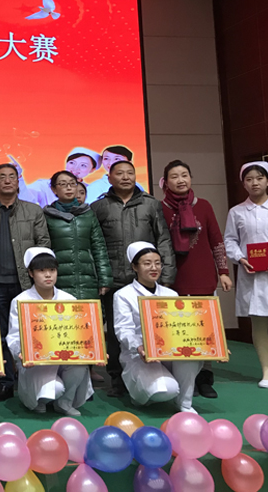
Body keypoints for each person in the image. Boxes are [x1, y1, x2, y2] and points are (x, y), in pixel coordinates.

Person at [91, 160, 175, 397]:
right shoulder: (99, 207)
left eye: (130, 173)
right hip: (114, 278)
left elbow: (163, 239)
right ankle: (117, 379)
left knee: (154, 327)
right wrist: (101, 278)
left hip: (148, 279)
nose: (126, 177)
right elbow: (95, 245)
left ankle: (157, 372)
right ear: (109, 178)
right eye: (120, 173)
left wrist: (167, 274)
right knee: (115, 332)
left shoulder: (151, 204)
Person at [0, 163, 50, 403]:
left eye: (12, 177)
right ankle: (5, 383)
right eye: (2, 177)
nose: (7, 181)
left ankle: (32, 380)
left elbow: (43, 244)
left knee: (31, 333)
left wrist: (39, 277)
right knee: (0, 335)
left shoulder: (33, 211)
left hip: (26, 284)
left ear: (18, 182)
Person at [161, 160, 232, 399]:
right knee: (179, 330)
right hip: (172, 280)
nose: (180, 180)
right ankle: (180, 379)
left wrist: (223, 272)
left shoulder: (204, 206)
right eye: (174, 176)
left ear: (191, 178)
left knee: (204, 329)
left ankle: (205, 378)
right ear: (165, 182)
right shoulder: (160, 208)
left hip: (203, 277)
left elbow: (216, 240)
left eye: (185, 175)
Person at [114, 242, 201, 413]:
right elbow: (123, 329)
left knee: (190, 355)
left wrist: (213, 346)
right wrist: (139, 346)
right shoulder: (123, 295)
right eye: (147, 263)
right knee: (165, 390)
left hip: (170, 352)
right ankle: (139, 395)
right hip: (140, 355)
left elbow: (184, 326)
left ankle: (184, 403)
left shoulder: (171, 295)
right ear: (134, 267)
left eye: (158, 263)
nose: (154, 268)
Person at [8, 248, 95, 416]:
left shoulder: (69, 300)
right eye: (41, 270)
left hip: (65, 356)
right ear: (31, 273)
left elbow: (79, 332)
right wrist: (21, 352)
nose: (48, 275)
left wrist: (93, 350)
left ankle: (64, 402)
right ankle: (41, 400)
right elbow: (14, 335)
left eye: (52, 270)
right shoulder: (20, 301)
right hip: (37, 364)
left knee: (80, 365)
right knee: (54, 389)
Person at [224, 161, 268, 389]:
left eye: (259, 178)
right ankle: (266, 370)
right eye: (249, 179)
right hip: (251, 274)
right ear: (244, 184)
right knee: (258, 321)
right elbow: (230, 240)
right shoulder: (236, 212)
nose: (254, 183)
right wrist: (240, 258)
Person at [43, 171, 112, 300]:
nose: (69, 188)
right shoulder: (47, 216)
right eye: (63, 184)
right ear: (54, 189)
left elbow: (99, 247)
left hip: (88, 278)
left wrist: (105, 279)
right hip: (57, 279)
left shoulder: (88, 214)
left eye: (72, 184)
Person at [18, 148, 102, 207]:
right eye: (72, 163)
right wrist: (19, 177)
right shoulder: (44, 185)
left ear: (92, 169)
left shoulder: (93, 189)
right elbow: (25, 200)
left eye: (83, 165)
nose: (75, 168)